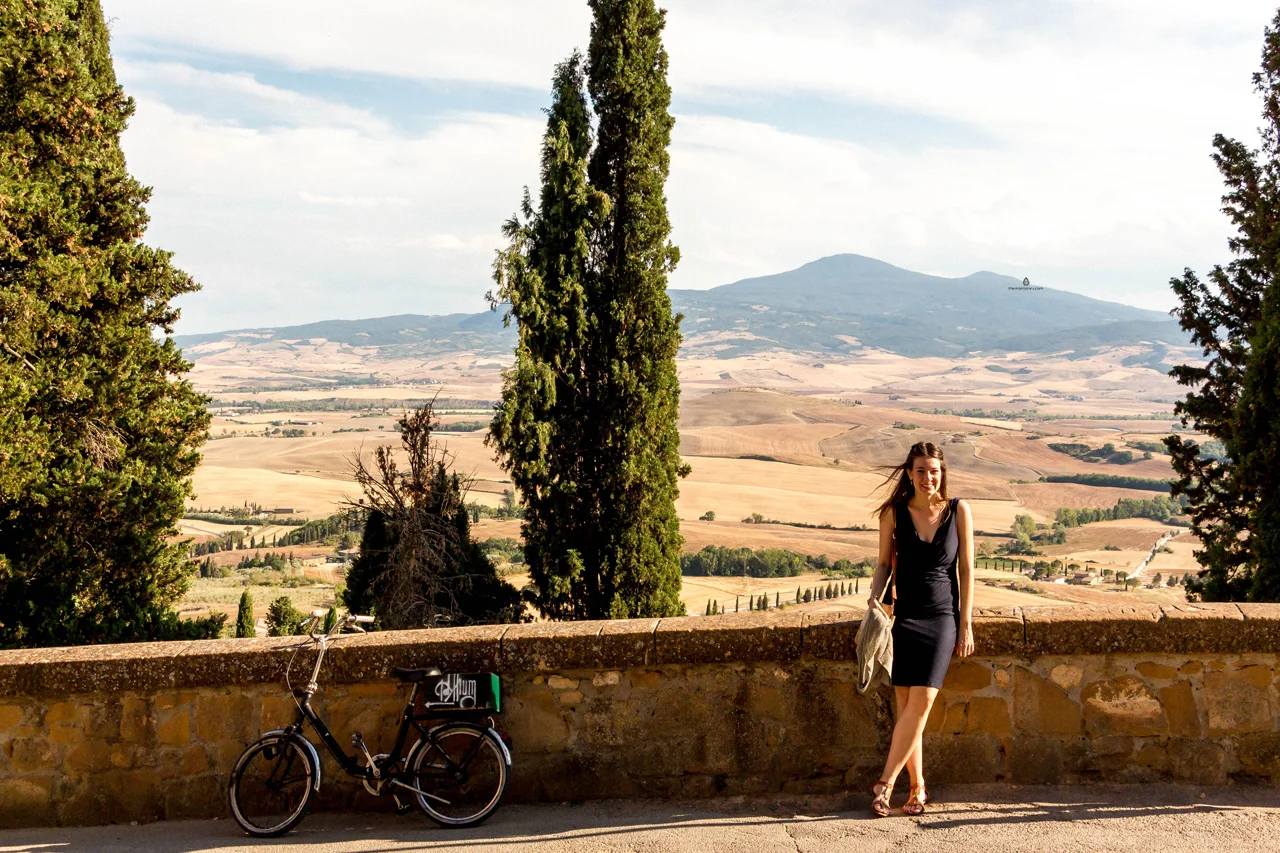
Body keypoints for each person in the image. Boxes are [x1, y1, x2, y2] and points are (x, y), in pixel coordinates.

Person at [865, 441, 974, 816]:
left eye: (934, 470)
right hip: (905, 618)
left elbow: (967, 571)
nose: (929, 477)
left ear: (942, 473)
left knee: (923, 700)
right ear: (909, 474)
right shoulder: (893, 513)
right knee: (908, 708)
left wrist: (966, 624)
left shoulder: (959, 510)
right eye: (921, 470)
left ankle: (885, 783)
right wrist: (875, 599)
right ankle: (918, 789)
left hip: (943, 617)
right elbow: (882, 564)